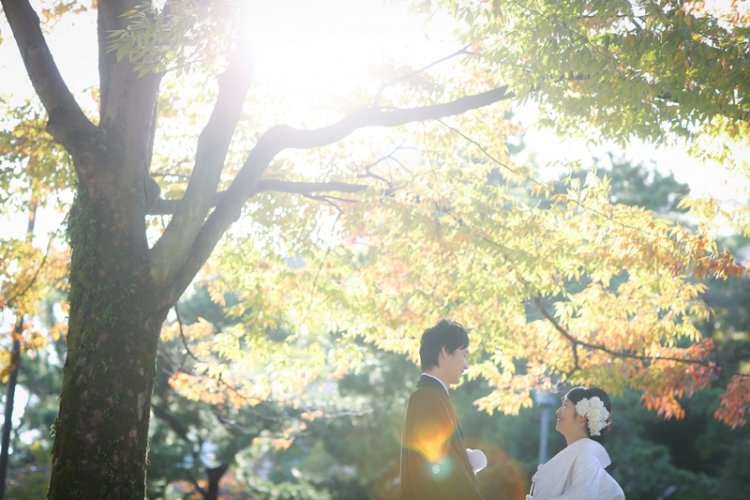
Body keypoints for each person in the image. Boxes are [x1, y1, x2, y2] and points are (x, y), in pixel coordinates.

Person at [400, 319, 485, 500]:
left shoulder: (431, 396)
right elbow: (441, 465)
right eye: (464, 355)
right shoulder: (428, 398)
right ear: (445, 351)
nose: (466, 365)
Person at [526, 386, 625, 500]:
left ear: (582, 416)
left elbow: (581, 496)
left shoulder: (587, 457)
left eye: (565, 405)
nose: (557, 411)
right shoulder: (580, 455)